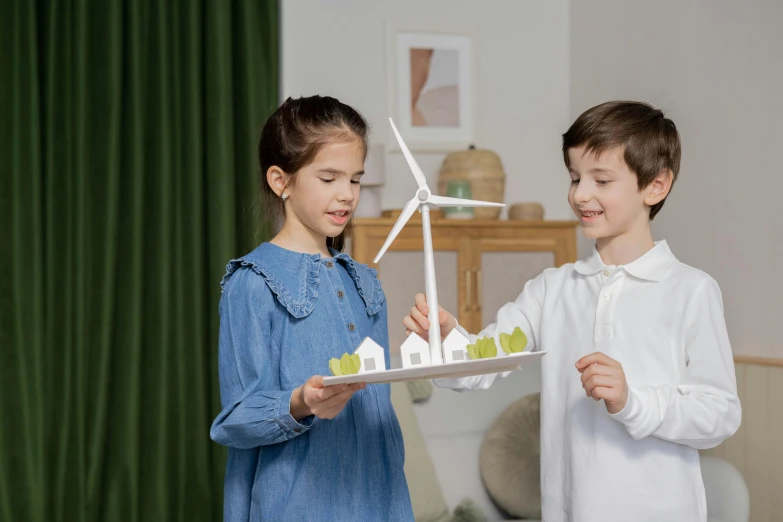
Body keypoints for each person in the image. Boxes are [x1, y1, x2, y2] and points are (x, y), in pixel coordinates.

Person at [403, 101, 741, 522]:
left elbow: (720, 414)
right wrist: (446, 337)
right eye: (575, 177)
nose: (581, 194)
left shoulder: (691, 291)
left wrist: (632, 400)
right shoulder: (552, 290)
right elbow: (480, 365)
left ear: (655, 185)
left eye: (601, 179)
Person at [211, 95, 413, 521]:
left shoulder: (365, 282)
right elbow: (235, 419)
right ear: (280, 180)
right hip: (298, 504)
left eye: (355, 180)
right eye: (328, 178)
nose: (347, 195)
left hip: (381, 496)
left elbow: (379, 400)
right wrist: (300, 401)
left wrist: (432, 346)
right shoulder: (253, 283)